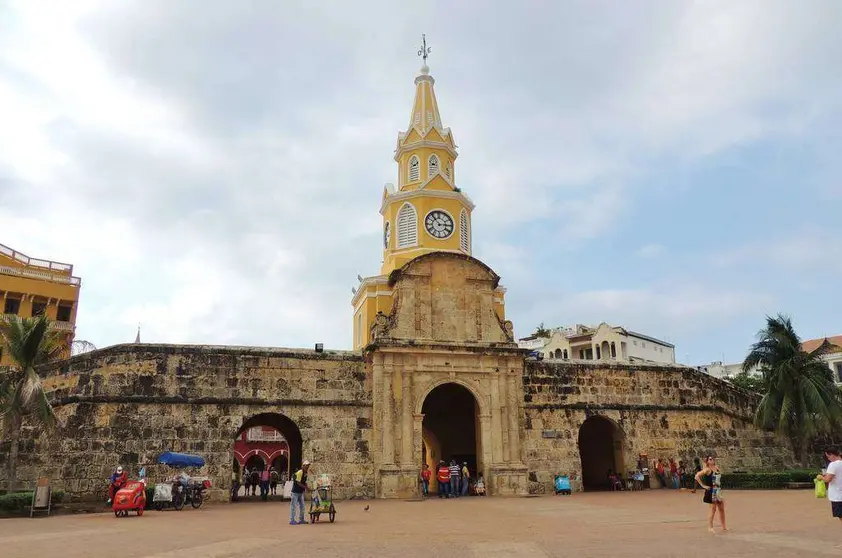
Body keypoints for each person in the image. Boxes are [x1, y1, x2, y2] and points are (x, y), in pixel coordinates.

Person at [695, 455, 727, 533]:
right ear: (707, 462)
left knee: (722, 509)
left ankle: (724, 527)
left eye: (712, 458)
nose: (712, 460)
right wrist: (703, 485)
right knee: (713, 509)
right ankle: (710, 527)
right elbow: (697, 476)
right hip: (711, 490)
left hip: (718, 490)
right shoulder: (707, 470)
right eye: (710, 459)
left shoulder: (716, 468)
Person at [820, 447, 842, 525]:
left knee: (840, 516)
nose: (828, 459)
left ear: (832, 455)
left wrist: (821, 477)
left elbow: (827, 479)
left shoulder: (833, 465)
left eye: (828, 457)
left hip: (838, 496)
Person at [290, 460, 311, 525]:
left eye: (308, 466)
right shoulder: (300, 472)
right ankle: (292, 520)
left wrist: (306, 487)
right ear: (303, 466)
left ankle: (301, 519)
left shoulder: (305, 473)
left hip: (300, 492)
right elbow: (298, 482)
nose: (307, 467)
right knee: (293, 506)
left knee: (302, 506)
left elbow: (304, 482)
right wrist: (306, 488)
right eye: (306, 465)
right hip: (295, 492)